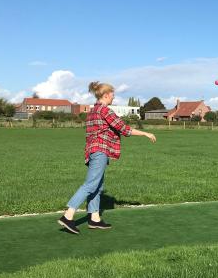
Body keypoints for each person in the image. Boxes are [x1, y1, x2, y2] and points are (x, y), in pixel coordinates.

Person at [57, 81, 157, 234]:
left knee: (98, 185)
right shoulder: (105, 110)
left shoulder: (93, 111)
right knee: (91, 184)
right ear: (105, 95)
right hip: (100, 151)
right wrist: (145, 133)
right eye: (112, 95)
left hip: (92, 150)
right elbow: (123, 128)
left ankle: (95, 218)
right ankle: (68, 216)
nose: (113, 97)